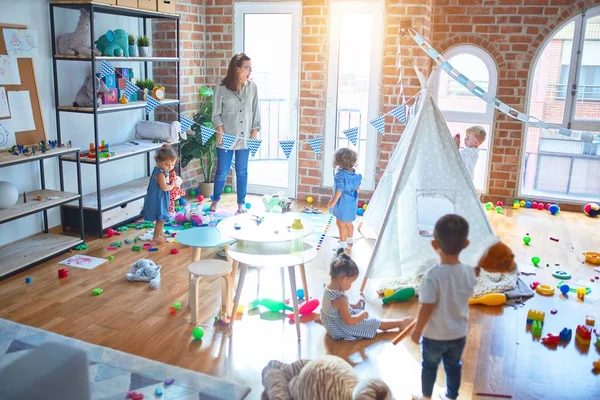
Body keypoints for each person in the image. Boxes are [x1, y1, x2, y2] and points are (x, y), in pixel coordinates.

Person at [410, 214, 480, 400]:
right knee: (453, 365)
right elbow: (468, 288)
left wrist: (417, 331)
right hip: (458, 334)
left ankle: (426, 397)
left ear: (434, 245)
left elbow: (427, 307)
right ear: (466, 244)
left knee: (429, 366)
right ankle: (451, 396)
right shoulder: (468, 272)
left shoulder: (432, 276)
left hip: (434, 336)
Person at [321, 248, 415, 341]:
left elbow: (337, 309)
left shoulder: (329, 287)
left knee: (358, 312)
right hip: (342, 328)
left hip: (331, 325)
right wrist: (361, 316)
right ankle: (400, 323)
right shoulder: (340, 299)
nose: (352, 284)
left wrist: (354, 306)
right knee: (374, 322)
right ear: (344, 279)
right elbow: (349, 321)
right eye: (352, 281)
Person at [211, 53, 261, 214]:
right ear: (237, 68)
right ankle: (216, 200)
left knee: (242, 171)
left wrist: (254, 131)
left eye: (250, 68)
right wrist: (219, 129)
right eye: (247, 68)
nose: (250, 71)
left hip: (245, 137)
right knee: (222, 171)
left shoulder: (252, 88)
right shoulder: (221, 88)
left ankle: (241, 203)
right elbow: (216, 114)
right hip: (226, 137)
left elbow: (255, 111)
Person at [141, 145, 180, 243]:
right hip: (157, 198)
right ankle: (156, 236)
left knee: (162, 216)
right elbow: (164, 187)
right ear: (159, 161)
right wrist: (172, 185)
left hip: (160, 197)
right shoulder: (160, 174)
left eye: (172, 164)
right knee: (161, 217)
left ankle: (159, 233)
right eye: (168, 165)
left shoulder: (160, 170)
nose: (170, 167)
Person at [327, 148, 362, 252]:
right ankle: (349, 240)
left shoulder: (340, 175)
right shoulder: (356, 175)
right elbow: (358, 188)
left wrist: (333, 202)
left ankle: (342, 244)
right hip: (352, 200)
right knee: (348, 222)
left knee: (341, 223)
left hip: (343, 201)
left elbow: (339, 190)